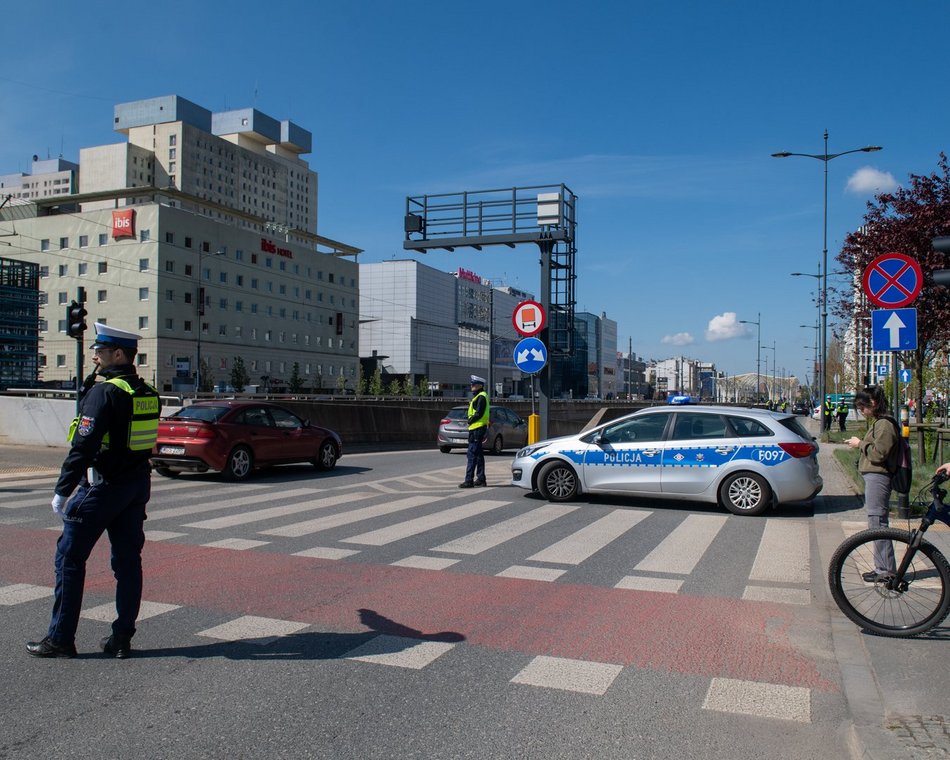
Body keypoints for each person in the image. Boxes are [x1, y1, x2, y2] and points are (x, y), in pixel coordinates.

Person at [27, 323, 161, 659]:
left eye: (100, 352)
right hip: (135, 485)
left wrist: (62, 489)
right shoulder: (146, 392)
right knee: (128, 563)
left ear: (118, 354)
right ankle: (121, 638)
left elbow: (83, 447)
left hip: (102, 487)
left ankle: (60, 638)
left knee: (69, 558)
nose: (96, 358)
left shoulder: (105, 393)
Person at [846, 386, 899, 582]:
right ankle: (882, 567)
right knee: (876, 521)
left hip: (879, 476)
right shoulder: (880, 422)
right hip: (875, 476)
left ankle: (885, 570)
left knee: (878, 522)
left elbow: (879, 453)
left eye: (862, 407)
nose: (861, 411)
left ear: (873, 403)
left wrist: (859, 444)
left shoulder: (884, 424)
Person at [459, 375, 489, 488]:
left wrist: (470, 420)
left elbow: (479, 413)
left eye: (474, 384)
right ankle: (481, 479)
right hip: (476, 428)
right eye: (471, 384)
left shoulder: (481, 397)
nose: (472, 386)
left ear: (480, 385)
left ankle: (469, 480)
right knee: (478, 455)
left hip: (477, 428)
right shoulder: (479, 396)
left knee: (471, 454)